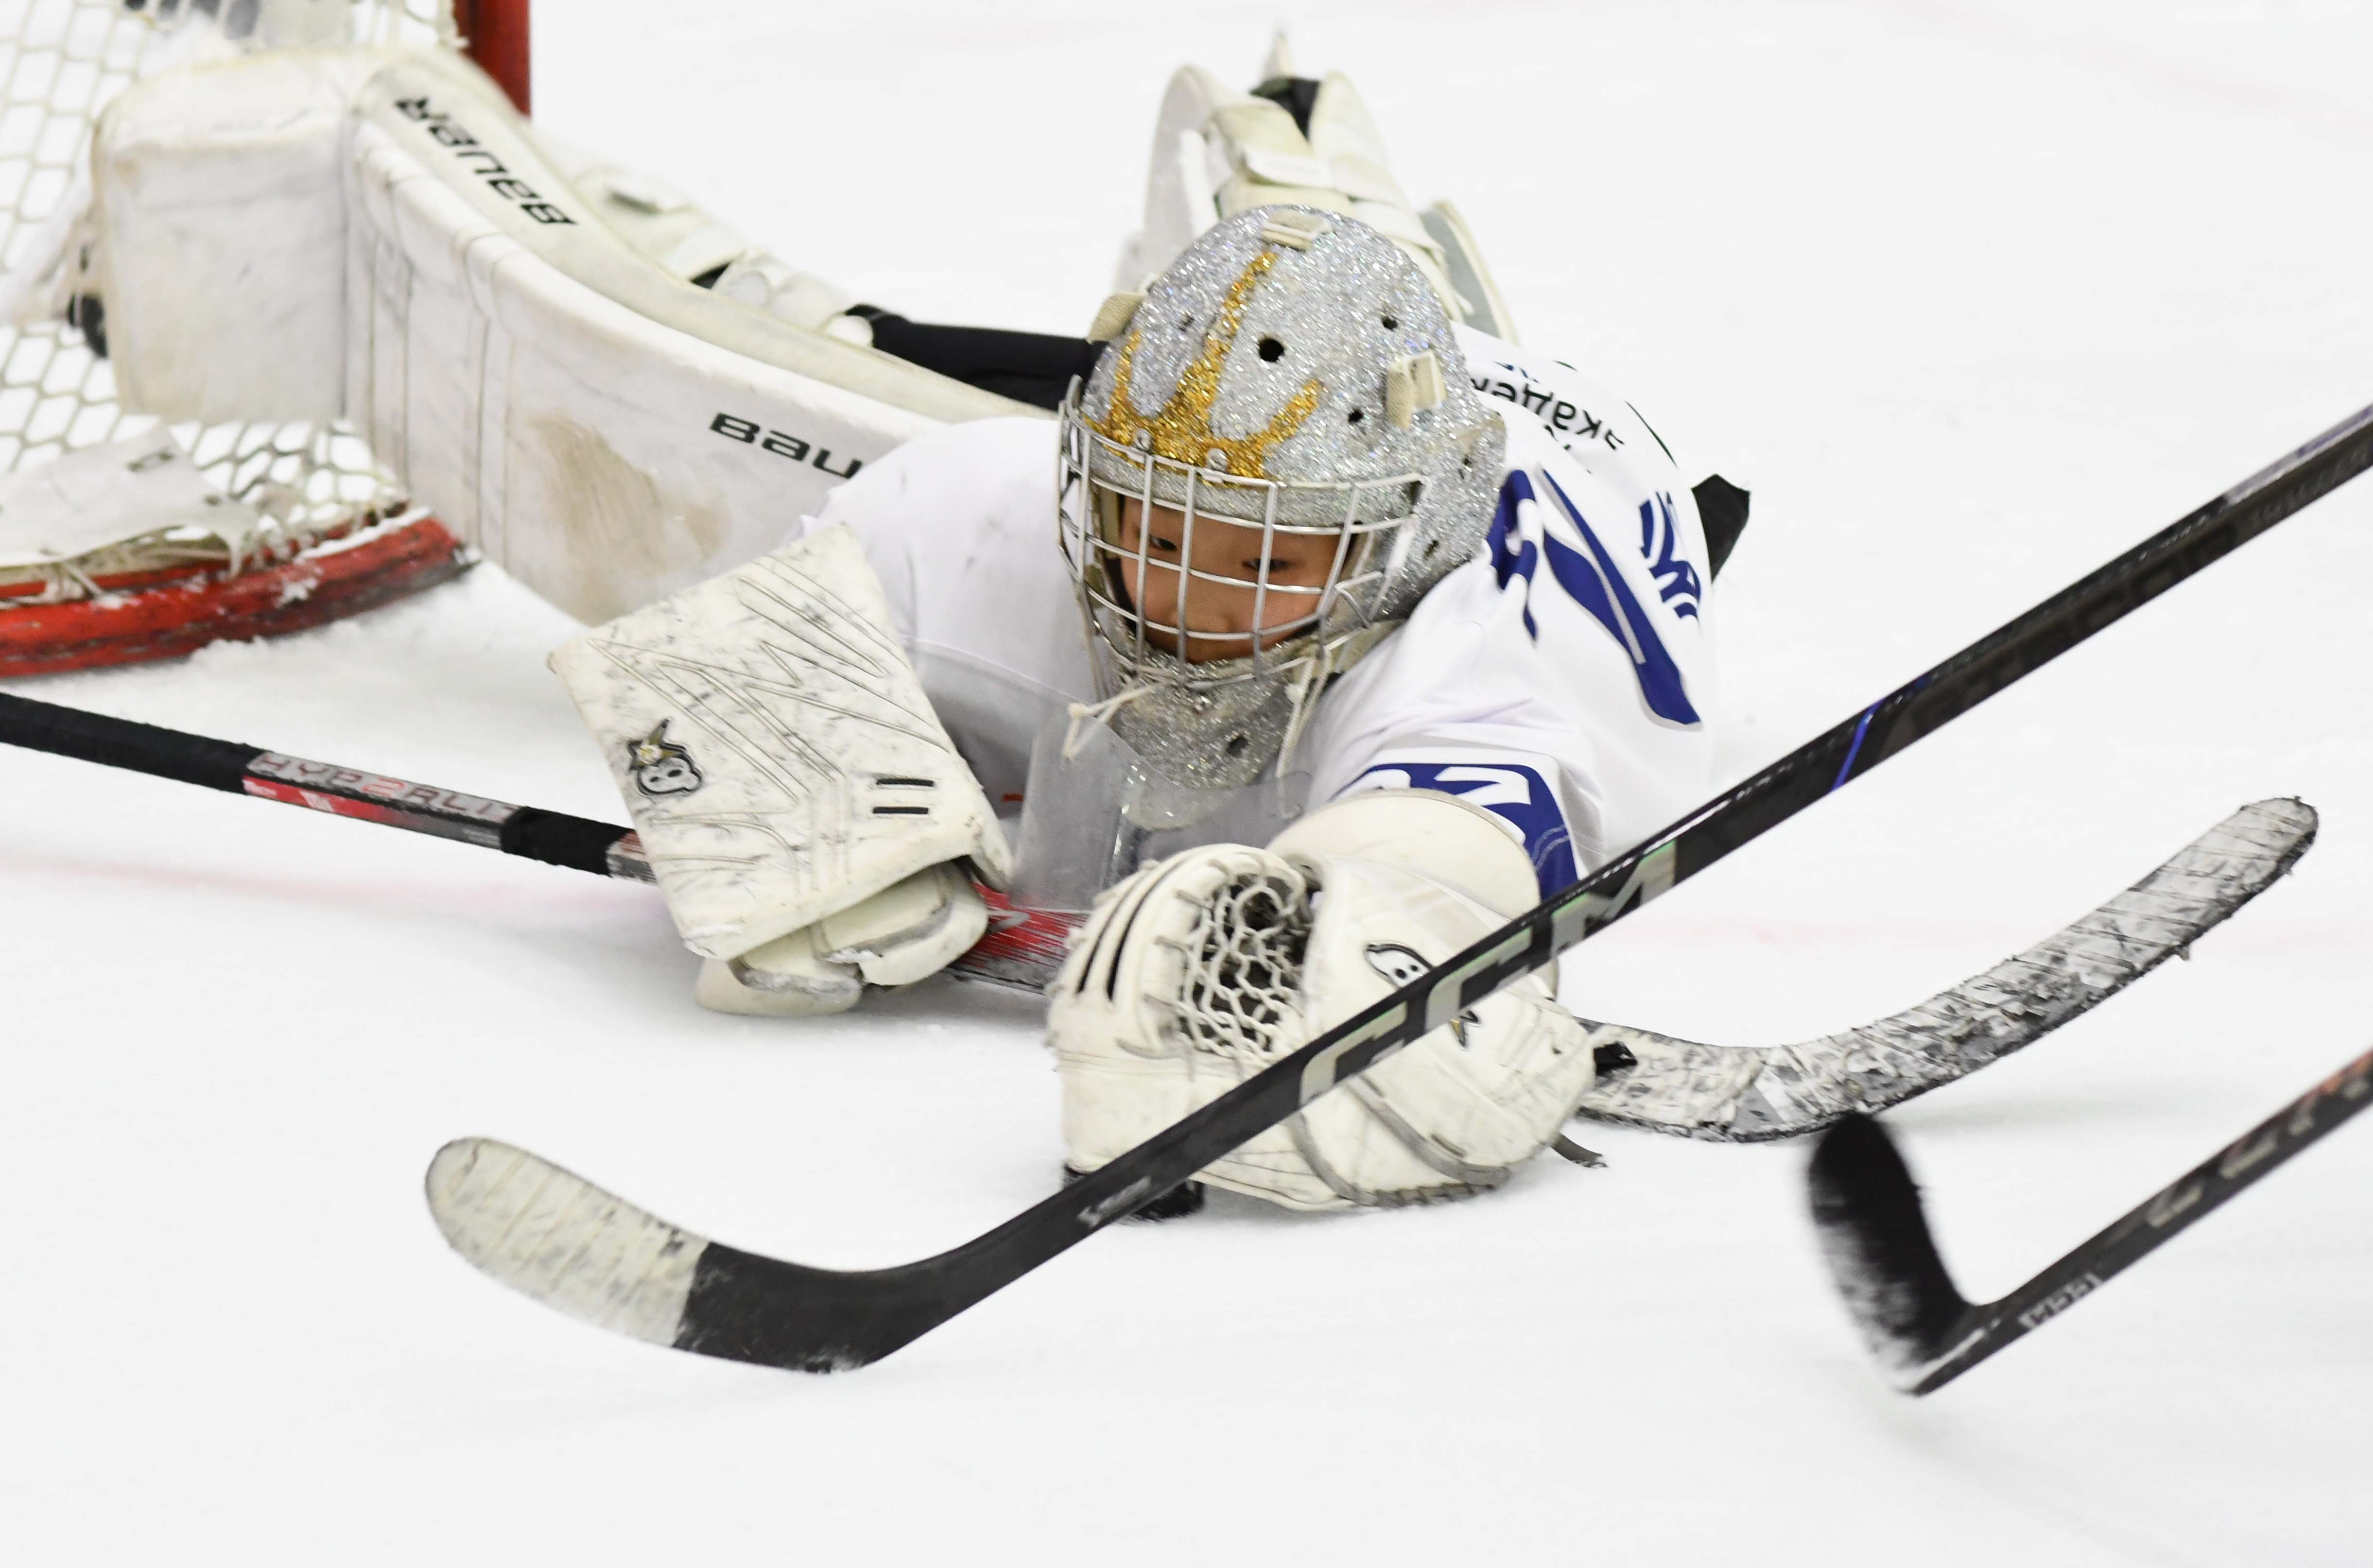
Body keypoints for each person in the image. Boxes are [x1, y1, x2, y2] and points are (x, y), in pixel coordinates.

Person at [552, 56, 1729, 1212]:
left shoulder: (1482, 669)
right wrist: (792, 790)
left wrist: (1327, 986)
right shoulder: (983, 504)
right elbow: (732, 661)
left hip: (1572, 439)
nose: (1187, 608)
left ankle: (1343, 185)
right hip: (1323, 418)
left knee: (1327, 321)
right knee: (1223, 382)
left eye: (1270, 561)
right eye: (1150, 530)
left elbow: (1444, 874)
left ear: (1404, 550)